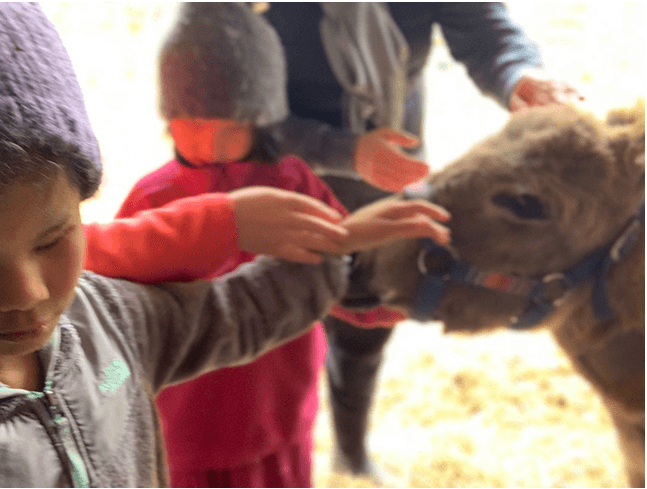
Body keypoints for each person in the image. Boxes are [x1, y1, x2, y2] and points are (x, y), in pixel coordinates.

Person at [0, 3, 454, 487]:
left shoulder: (112, 333)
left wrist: (348, 248)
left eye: (52, 240)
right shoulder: (154, 196)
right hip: (191, 431)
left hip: (276, 408)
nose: (25, 294)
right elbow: (130, 256)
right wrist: (222, 223)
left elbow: (227, 316)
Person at [84, 3, 442, 488]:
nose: (209, 143)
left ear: (261, 122)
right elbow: (115, 317)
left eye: (229, 129)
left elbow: (332, 264)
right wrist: (104, 391)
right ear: (169, 121)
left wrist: (379, 308)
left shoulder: (293, 180)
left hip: (280, 417)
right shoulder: (153, 199)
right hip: (182, 433)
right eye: (191, 125)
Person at [259, 2, 585, 479]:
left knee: (367, 320)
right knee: (267, 333)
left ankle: (350, 455)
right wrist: (345, 152)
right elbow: (231, 110)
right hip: (274, 185)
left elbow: (483, 29)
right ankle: (278, 454)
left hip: (386, 176)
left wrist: (520, 75)